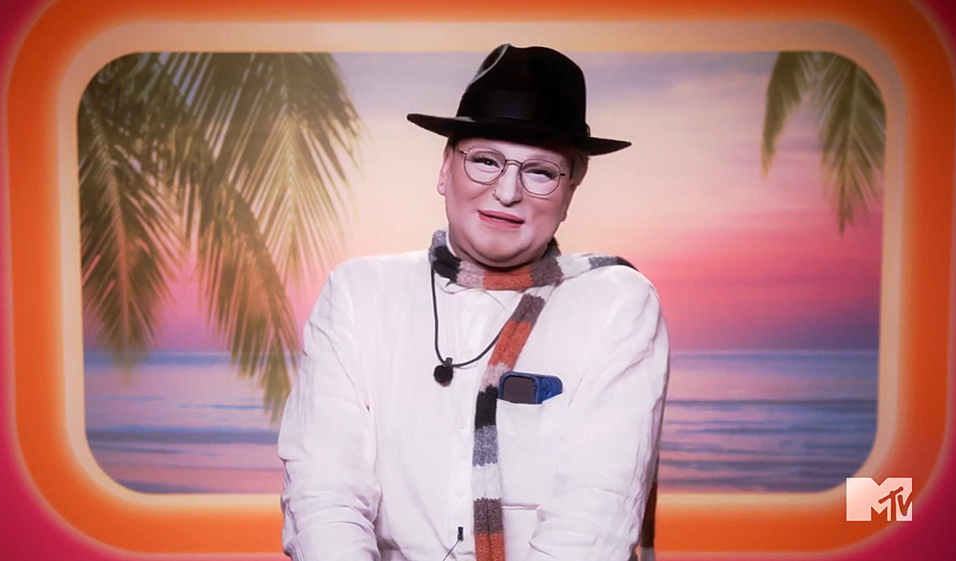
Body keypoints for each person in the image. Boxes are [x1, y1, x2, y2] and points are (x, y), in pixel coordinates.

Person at [278, 44, 670, 561]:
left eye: (540, 171)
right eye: (485, 161)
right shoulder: (359, 293)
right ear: (445, 170)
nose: (507, 191)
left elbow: (596, 514)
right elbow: (324, 495)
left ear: (570, 192)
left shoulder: (615, 303)